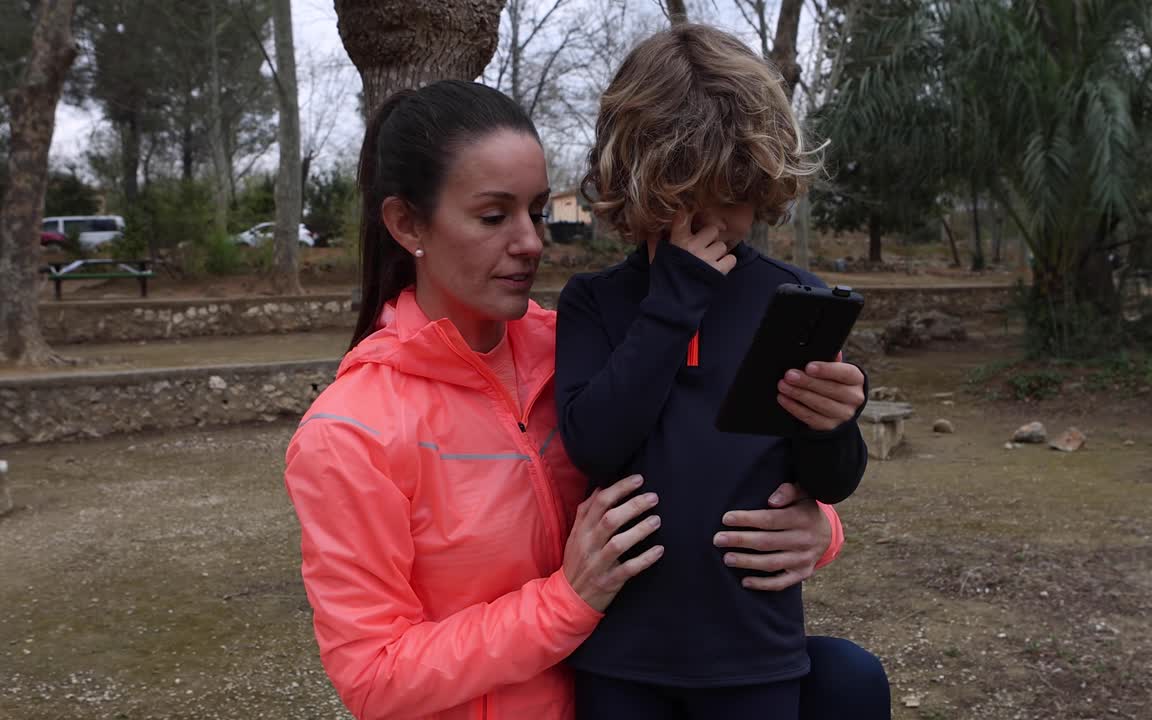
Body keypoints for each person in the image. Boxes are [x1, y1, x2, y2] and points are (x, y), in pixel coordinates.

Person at [283, 81, 886, 720]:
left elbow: (707, 461)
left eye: (537, 212)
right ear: (408, 224)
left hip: (631, 683)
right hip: (577, 691)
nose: (531, 242)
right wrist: (568, 600)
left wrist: (819, 529)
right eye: (494, 216)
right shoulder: (352, 432)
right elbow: (373, 676)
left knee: (846, 678)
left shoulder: (580, 347)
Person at [556, 22, 873, 720]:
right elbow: (595, 445)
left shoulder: (794, 299)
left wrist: (834, 426)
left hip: (753, 652)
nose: (710, 222)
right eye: (682, 198)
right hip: (620, 654)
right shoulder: (595, 304)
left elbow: (830, 482)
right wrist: (674, 302)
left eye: (730, 196)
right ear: (634, 181)